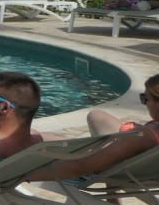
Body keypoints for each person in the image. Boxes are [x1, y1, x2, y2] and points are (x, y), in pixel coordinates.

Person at [25, 73, 159, 183]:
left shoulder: (141, 136)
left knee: (39, 138)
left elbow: (80, 167)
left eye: (145, 98)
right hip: (123, 157)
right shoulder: (150, 132)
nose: (144, 103)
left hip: (103, 163)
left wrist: (25, 177)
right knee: (96, 116)